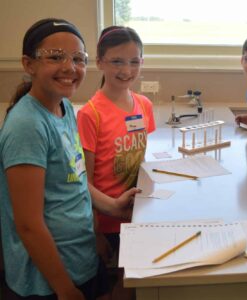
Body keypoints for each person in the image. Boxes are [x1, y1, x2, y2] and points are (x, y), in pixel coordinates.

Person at [0, 18, 110, 299]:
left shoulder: (65, 108)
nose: (70, 67)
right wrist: (64, 288)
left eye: (78, 58)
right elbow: (29, 224)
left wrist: (112, 208)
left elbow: (75, 182)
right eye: (56, 57)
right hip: (48, 281)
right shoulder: (28, 125)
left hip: (78, 259)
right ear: (29, 64)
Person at [77, 26, 156, 299]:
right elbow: (83, 183)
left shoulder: (143, 104)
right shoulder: (91, 114)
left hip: (137, 211)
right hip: (108, 219)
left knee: (135, 279)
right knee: (124, 282)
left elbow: (141, 159)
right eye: (117, 61)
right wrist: (96, 232)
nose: (127, 70)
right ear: (99, 62)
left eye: (134, 61)